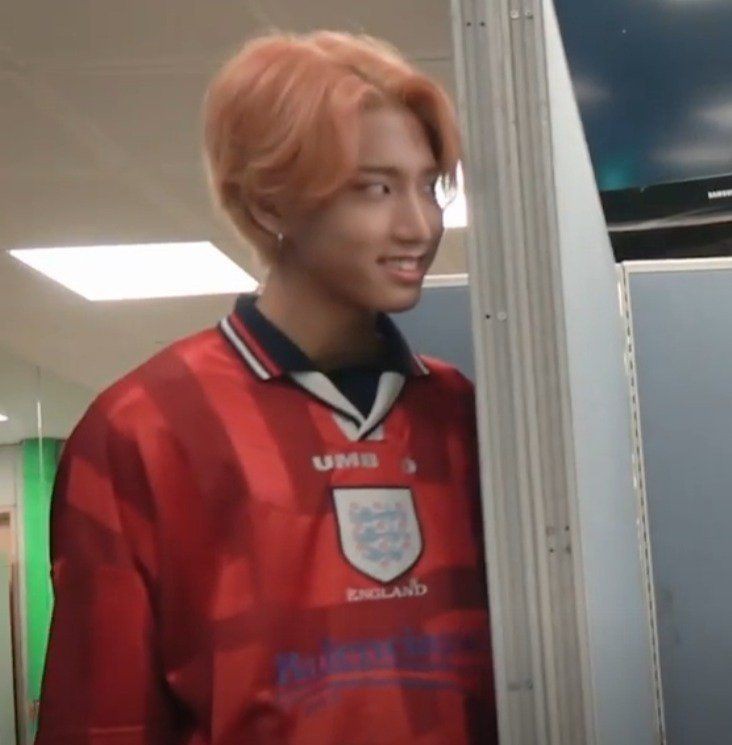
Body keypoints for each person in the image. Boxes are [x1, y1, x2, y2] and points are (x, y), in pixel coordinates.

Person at [35, 30, 498, 744]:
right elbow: (105, 720)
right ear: (271, 206)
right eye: (376, 188)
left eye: (428, 187)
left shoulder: (463, 415)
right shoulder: (145, 427)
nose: (419, 225)